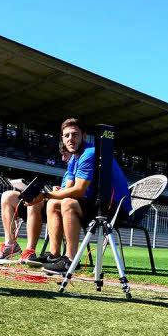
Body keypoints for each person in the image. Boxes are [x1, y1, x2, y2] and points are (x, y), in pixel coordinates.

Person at [41, 118, 132, 275]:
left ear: (84, 136)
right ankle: (54, 255)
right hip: (96, 203)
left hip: (114, 207)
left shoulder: (89, 154)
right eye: (67, 135)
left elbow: (78, 190)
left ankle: (70, 259)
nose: (70, 139)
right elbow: (67, 188)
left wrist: (45, 195)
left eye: (75, 134)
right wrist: (48, 197)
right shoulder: (74, 158)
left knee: (68, 203)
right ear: (62, 139)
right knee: (53, 204)